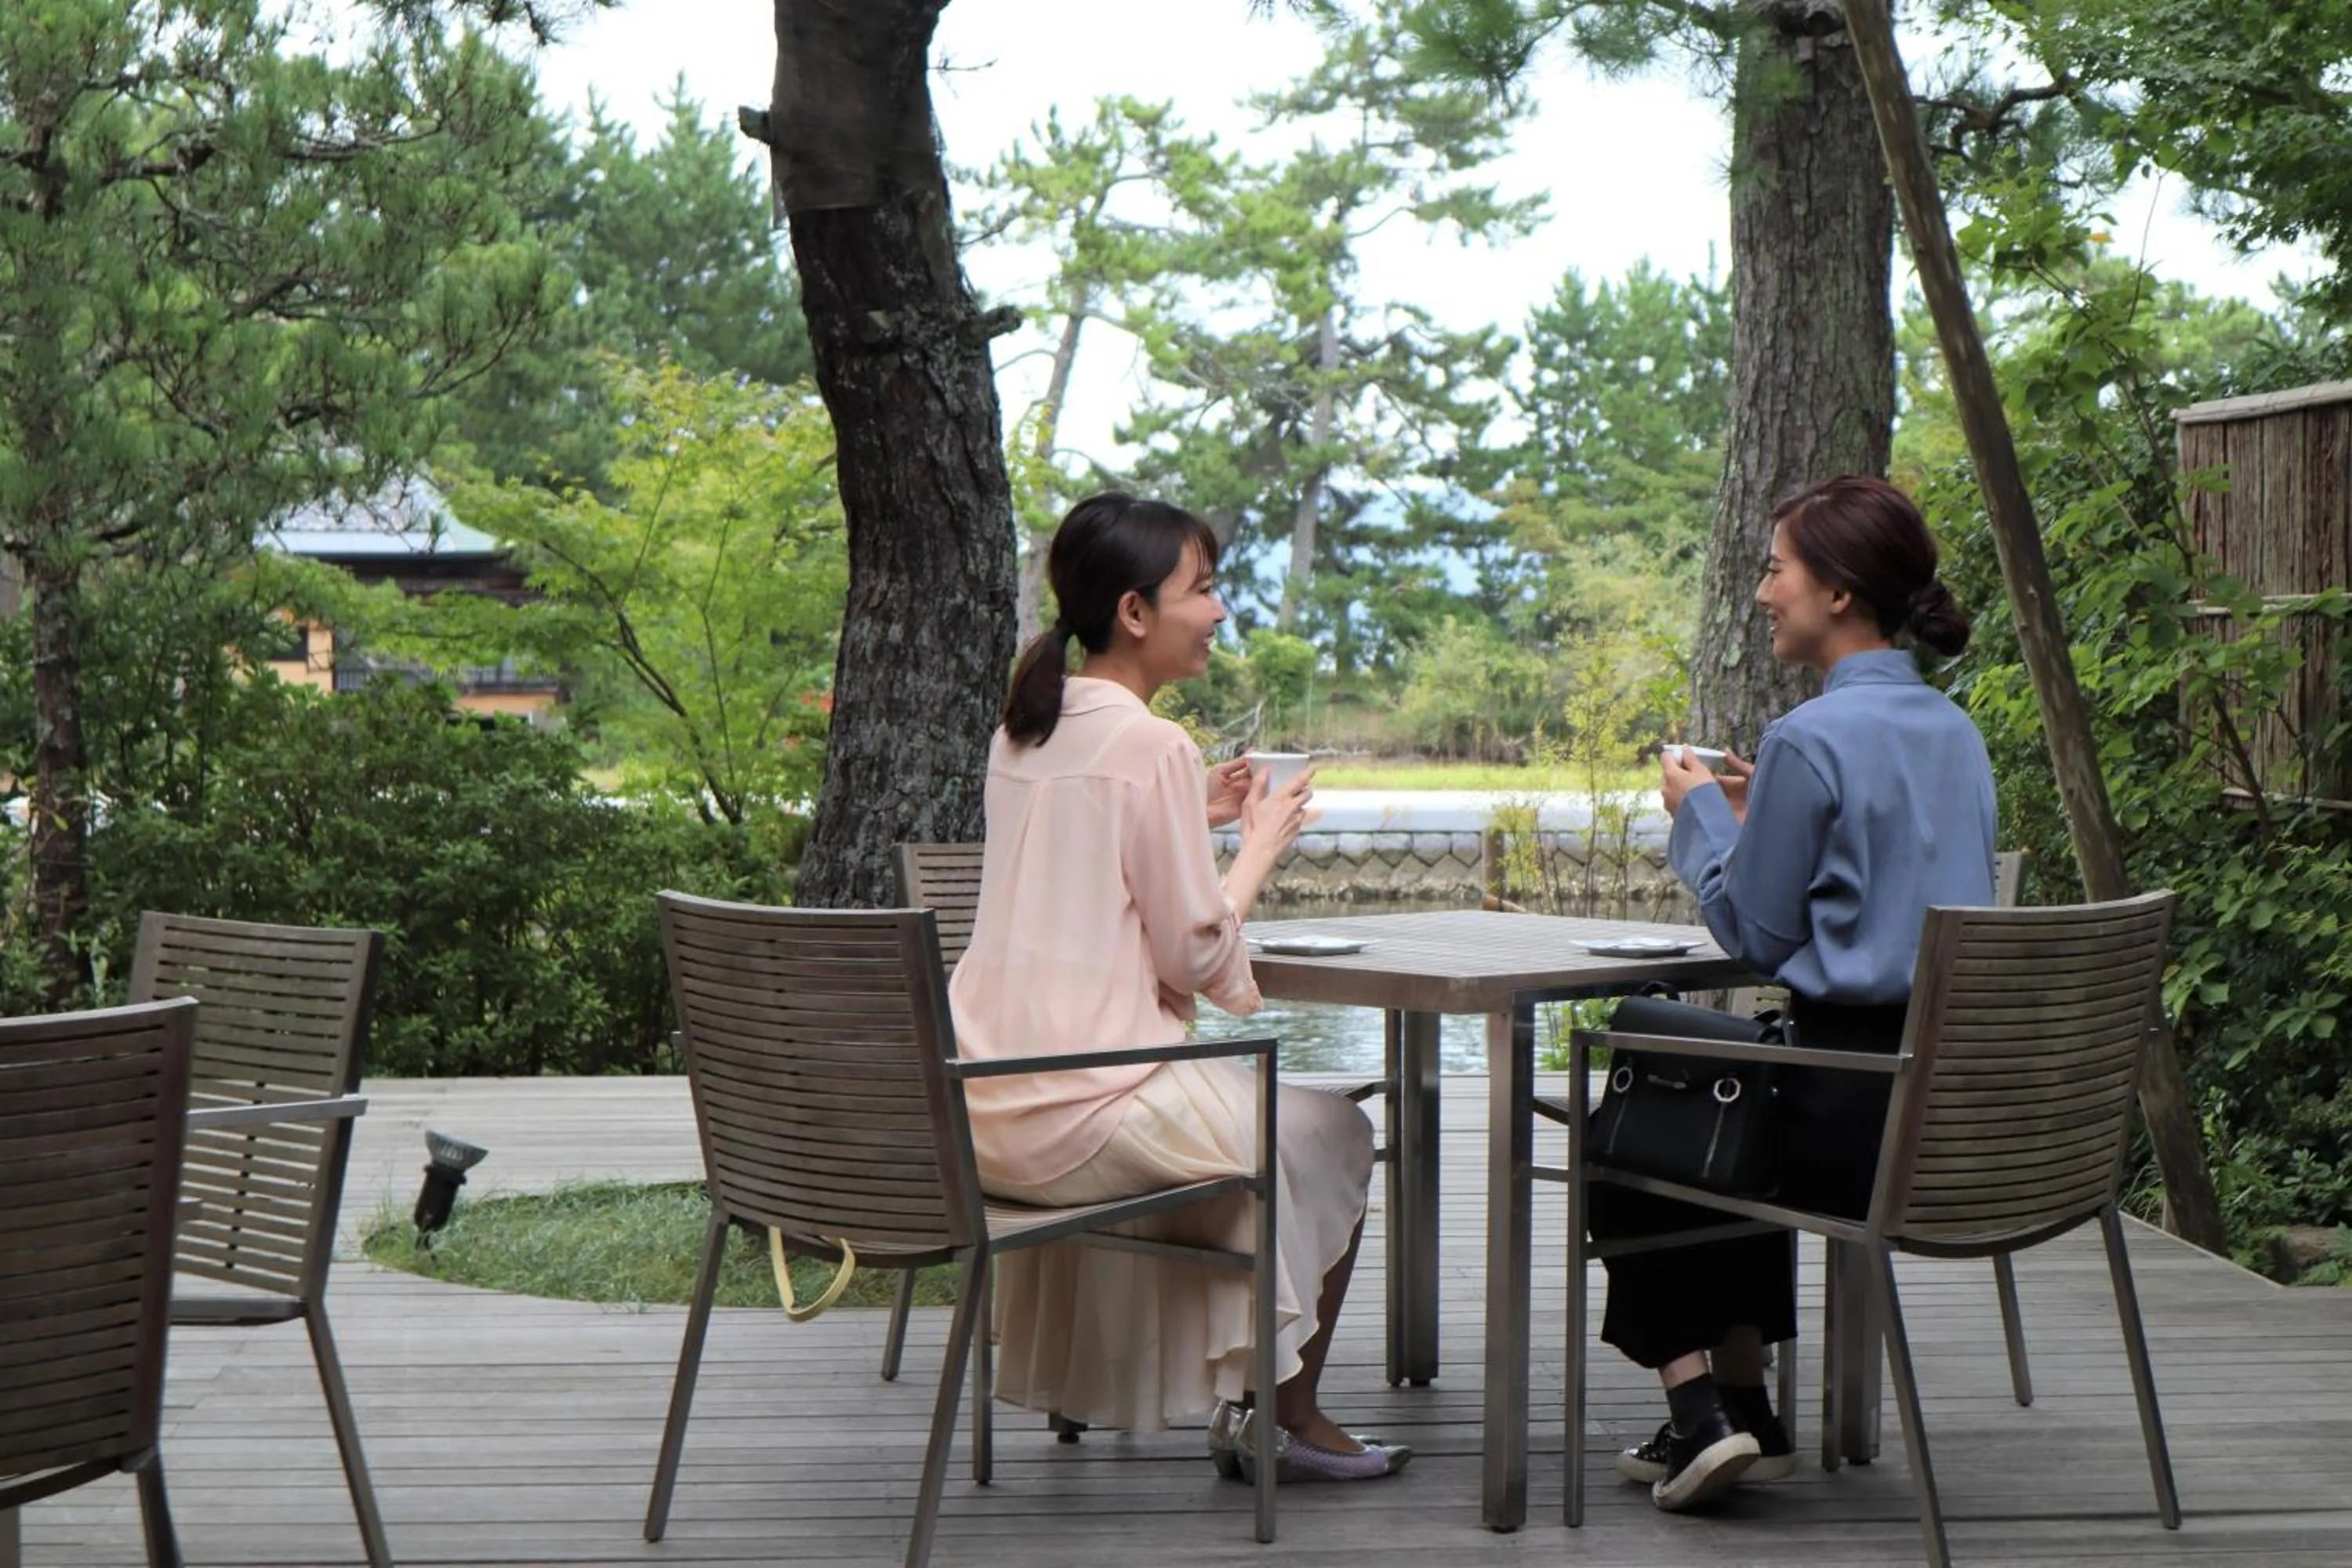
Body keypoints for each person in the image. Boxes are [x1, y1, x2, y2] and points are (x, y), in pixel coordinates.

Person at [947, 491, 1410, 1483]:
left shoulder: (1025, 726)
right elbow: (1196, 951)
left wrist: (1184, 816)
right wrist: (1257, 849)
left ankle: (1233, 1400)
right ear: (1134, 612)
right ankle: (1283, 1416)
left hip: (985, 1102)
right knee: (1333, 1130)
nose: (1221, 611)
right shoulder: (1153, 744)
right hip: (1088, 1100)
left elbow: (1089, 866)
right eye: (1203, 589)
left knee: (1271, 1135)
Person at [1595, 474, 1997, 1512]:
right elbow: (1881, 873)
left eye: (1778, 568)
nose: (1763, 591)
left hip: (1850, 1116)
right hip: (1944, 1106)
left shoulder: (1813, 741)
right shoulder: (1955, 731)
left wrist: (1704, 818)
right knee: (1725, 1077)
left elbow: (1757, 933)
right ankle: (1752, 1410)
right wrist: (1759, 808)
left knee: (1641, 1081)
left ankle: (1700, 1415)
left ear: (1841, 592)